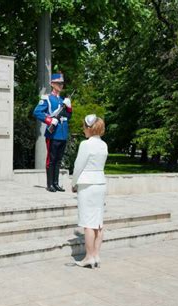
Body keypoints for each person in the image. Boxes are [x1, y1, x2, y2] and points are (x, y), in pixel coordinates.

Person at [71, 114, 108, 269]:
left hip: (87, 184)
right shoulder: (103, 144)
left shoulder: (86, 144)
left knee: (88, 223)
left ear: (89, 128)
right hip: (100, 183)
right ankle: (96, 255)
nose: (83, 130)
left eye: (84, 127)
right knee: (98, 222)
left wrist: (74, 183)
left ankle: (89, 257)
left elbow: (79, 165)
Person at [33, 73, 72, 192]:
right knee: (51, 159)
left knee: (59, 160)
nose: (61, 85)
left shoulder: (62, 100)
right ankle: (50, 184)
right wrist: (49, 120)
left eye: (62, 83)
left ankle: (56, 183)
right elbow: (37, 112)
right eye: (58, 83)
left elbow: (68, 117)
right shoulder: (47, 98)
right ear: (52, 84)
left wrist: (69, 108)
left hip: (62, 134)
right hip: (53, 133)